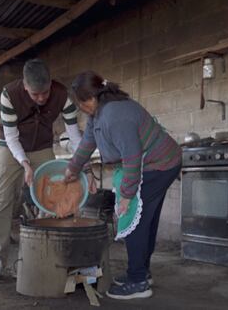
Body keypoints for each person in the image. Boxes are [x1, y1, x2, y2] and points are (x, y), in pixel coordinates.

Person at [64, 71, 181, 300]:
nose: (81, 108)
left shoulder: (115, 115)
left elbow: (132, 157)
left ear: (90, 98)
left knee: (133, 217)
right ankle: (142, 273)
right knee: (145, 218)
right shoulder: (98, 113)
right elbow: (88, 142)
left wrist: (127, 196)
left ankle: (138, 282)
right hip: (154, 162)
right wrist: (72, 169)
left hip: (159, 164)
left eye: (80, 104)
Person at [0, 59, 82, 282]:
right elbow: (10, 137)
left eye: (45, 93)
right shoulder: (9, 95)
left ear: (50, 84)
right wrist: (24, 163)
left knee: (53, 195)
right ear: (25, 86)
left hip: (42, 146)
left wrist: (79, 165)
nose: (41, 98)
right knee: (3, 198)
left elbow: (75, 136)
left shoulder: (62, 95)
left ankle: (47, 254)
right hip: (10, 146)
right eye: (35, 94)